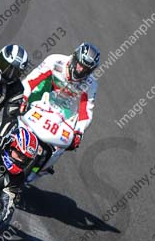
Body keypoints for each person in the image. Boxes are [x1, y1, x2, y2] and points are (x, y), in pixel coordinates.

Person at [19, 42, 100, 170]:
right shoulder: (55, 61)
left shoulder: (91, 83)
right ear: (74, 57)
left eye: (86, 69)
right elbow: (31, 80)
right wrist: (23, 98)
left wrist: (79, 131)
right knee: (18, 109)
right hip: (45, 97)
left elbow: (86, 112)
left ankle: (42, 166)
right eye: (80, 64)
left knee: (66, 141)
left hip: (66, 111)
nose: (80, 70)